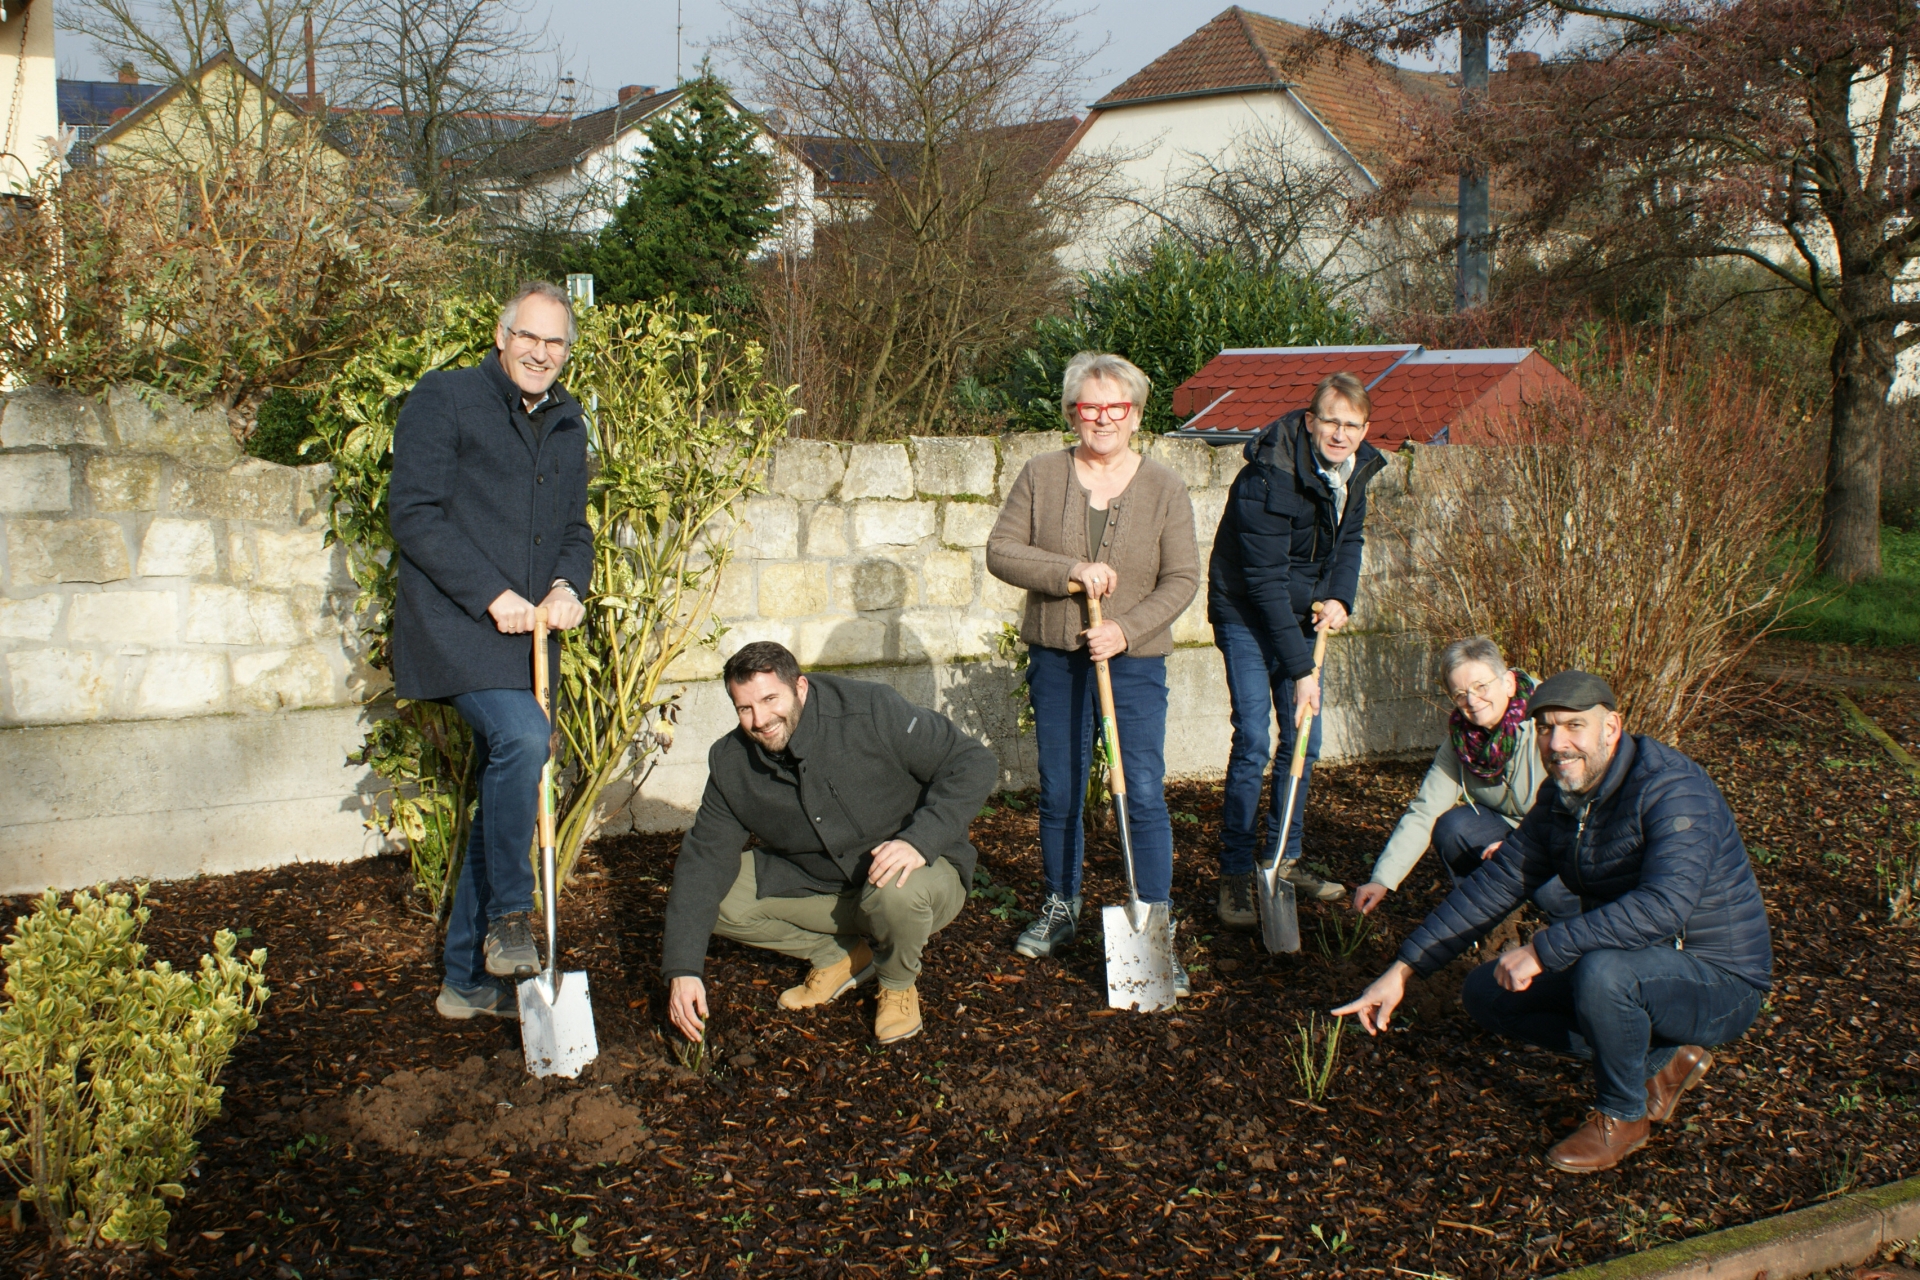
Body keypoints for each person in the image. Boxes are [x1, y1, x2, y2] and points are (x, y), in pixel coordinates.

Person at [1334, 671, 1774, 1174]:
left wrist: (1543, 949)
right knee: (1487, 993)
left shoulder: (1673, 789)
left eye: (1573, 726)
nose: (1557, 743)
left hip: (1719, 978)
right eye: (1544, 728)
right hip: (1638, 966)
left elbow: (1665, 904)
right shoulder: (1565, 797)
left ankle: (1623, 1116)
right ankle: (1663, 1061)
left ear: (1612, 727)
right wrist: (1403, 969)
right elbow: (1499, 882)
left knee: (1604, 975)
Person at [390, 280, 592, 1022]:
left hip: (529, 633)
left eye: (556, 342)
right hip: (458, 622)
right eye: (529, 337)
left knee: (502, 794)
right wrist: (491, 594)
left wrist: (571, 582)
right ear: (503, 336)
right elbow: (412, 512)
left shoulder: (569, 422)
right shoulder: (444, 398)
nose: (541, 353)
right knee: (522, 736)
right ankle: (512, 913)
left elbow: (575, 527)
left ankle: (465, 985)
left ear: (567, 352)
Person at [662, 642, 999, 1046]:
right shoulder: (731, 762)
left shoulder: (870, 709)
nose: (761, 719)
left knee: (895, 891)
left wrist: (919, 840)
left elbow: (971, 761)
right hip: (822, 885)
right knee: (718, 898)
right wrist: (683, 969)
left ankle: (897, 984)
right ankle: (841, 955)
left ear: (800, 687)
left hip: (915, 875)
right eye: (744, 708)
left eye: (771, 699)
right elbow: (704, 860)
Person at [986, 351, 1200, 982]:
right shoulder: (1040, 473)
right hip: (1056, 655)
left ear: (1135, 415)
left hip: (1132, 664)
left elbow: (1183, 578)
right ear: (1072, 413)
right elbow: (1002, 551)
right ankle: (1061, 902)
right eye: (1089, 407)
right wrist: (1070, 572)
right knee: (1060, 788)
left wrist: (1125, 630)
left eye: (1116, 407)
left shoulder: (1165, 486)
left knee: (1142, 792)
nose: (1102, 418)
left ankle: (1154, 923)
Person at [1207, 371, 1386, 930]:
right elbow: (1262, 581)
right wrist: (1302, 667)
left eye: (1351, 425)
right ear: (1310, 422)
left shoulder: (1354, 472)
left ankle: (1284, 857)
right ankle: (1235, 871)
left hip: (1302, 607)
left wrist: (1340, 597)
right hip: (1246, 609)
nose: (1339, 433)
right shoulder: (1268, 475)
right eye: (1330, 421)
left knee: (1305, 741)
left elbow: (1349, 540)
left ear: (1364, 429)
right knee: (1256, 739)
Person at [1352, 636, 1580, 922]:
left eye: (1481, 686)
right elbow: (1425, 810)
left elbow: (1578, 804)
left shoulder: (1549, 724)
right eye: (1460, 694)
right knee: (1452, 827)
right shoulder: (1461, 743)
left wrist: (1521, 843)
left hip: (1560, 837)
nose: (1472, 700)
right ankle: (1491, 921)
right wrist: (1383, 878)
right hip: (1507, 836)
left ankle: (1579, 931)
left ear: (1508, 682)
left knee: (1550, 889)